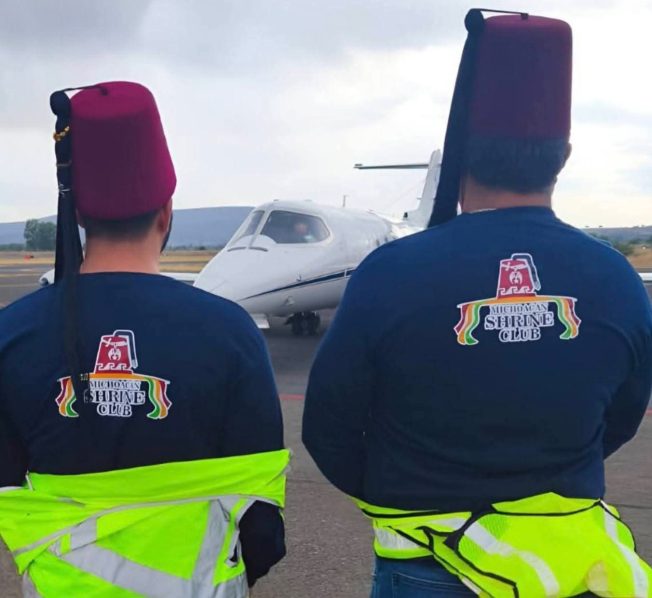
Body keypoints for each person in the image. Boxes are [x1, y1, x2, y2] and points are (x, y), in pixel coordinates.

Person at [303, 10, 652, 597]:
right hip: (565, 567)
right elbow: (621, 416)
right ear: (564, 155)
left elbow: (328, 428)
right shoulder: (617, 277)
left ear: (460, 151)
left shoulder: (388, 273)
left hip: (424, 561)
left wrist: (407, 498)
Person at [0, 81, 288, 596]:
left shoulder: (12, 334)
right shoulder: (230, 332)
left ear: (78, 213)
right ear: (166, 212)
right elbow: (262, 515)